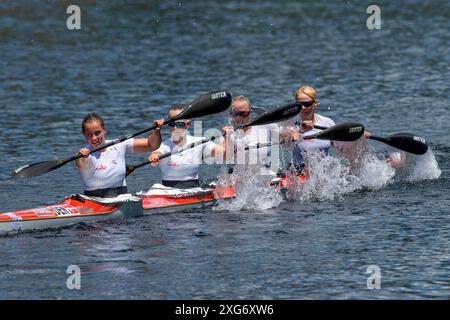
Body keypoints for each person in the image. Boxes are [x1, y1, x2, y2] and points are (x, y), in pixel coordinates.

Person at [76, 112, 163, 197]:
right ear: (84, 134)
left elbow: (152, 145)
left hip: (121, 197)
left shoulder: (119, 145)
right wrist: (81, 156)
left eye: (97, 133)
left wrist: (156, 131)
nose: (94, 138)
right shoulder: (84, 154)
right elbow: (79, 162)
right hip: (94, 200)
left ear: (104, 130)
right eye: (89, 135)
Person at [148, 105, 225, 189]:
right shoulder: (163, 146)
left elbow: (224, 154)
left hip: (194, 190)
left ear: (188, 124)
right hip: (168, 190)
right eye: (171, 124)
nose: (175, 128)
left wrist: (227, 136)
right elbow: (155, 155)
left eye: (179, 124)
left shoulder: (199, 142)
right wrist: (154, 157)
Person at [280, 85, 335, 174]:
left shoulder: (327, 122)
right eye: (299, 105)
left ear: (315, 103)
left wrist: (358, 137)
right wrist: (298, 132)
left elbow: (341, 145)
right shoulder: (290, 123)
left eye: (307, 104)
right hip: (298, 171)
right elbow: (282, 136)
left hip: (323, 171)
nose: (303, 108)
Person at [222, 95, 280, 175]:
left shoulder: (267, 126)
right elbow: (225, 157)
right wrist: (227, 137)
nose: (239, 117)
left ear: (250, 113)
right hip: (238, 180)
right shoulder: (228, 134)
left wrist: (292, 133)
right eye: (236, 114)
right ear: (231, 115)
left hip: (266, 177)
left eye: (243, 114)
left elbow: (284, 134)